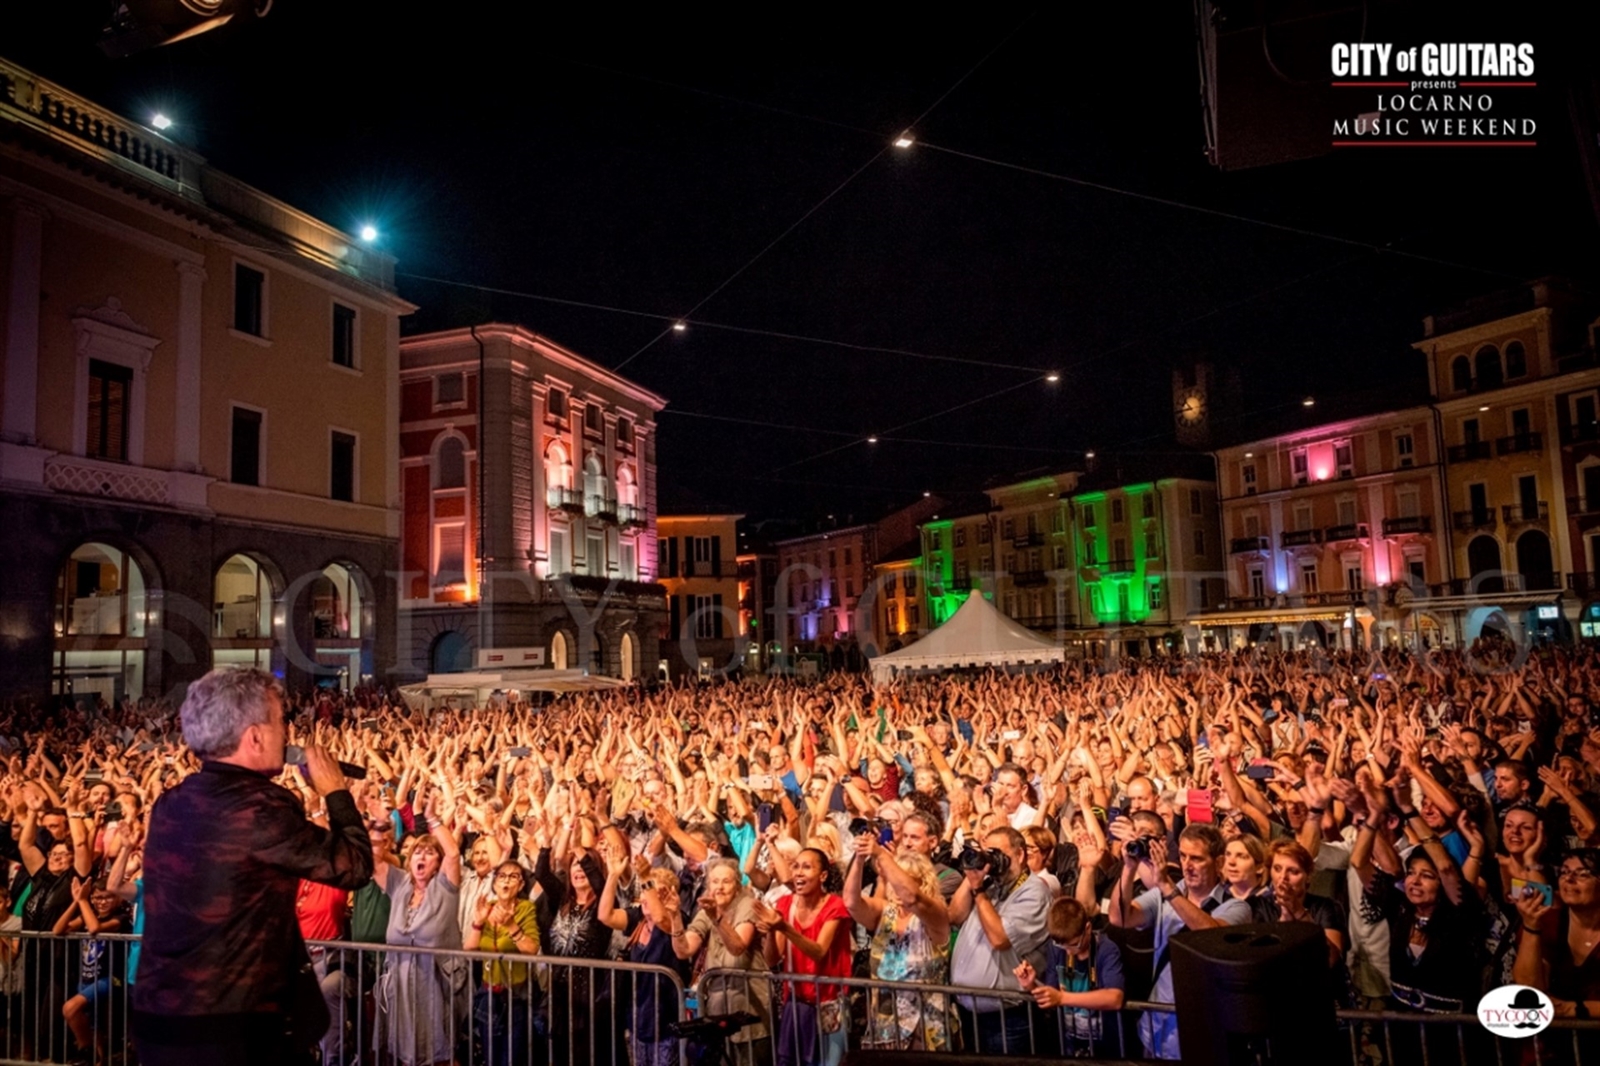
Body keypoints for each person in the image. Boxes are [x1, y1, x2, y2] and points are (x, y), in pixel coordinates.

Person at [131, 668, 373, 1066]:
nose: (288, 732)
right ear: (255, 736)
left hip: (163, 1018)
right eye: (281, 720)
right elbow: (354, 866)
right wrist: (335, 791)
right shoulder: (261, 806)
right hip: (234, 1030)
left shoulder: (171, 803)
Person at [1108, 823, 1251, 1060]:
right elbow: (1119, 917)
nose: (1187, 865)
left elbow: (1212, 935)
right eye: (1183, 856)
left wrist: (1165, 885)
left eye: (1196, 858)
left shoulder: (1236, 906)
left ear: (1218, 863)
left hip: (1206, 1030)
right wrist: (1129, 869)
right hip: (1158, 1025)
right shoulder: (1166, 895)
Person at [373, 799, 466, 1066]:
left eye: (428, 853)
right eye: (416, 852)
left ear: (437, 863)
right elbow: (373, 858)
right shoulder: (399, 883)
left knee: (440, 1054)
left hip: (436, 983)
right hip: (401, 981)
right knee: (404, 1052)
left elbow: (453, 854)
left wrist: (432, 819)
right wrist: (379, 824)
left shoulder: (446, 887)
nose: (421, 857)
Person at [843, 832, 952, 1050]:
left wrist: (881, 853)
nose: (898, 886)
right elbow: (851, 902)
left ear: (924, 882)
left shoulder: (936, 914)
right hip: (883, 1026)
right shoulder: (886, 911)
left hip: (925, 1028)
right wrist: (859, 859)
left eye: (908, 879)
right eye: (896, 879)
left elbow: (912, 897)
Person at [948, 827, 1051, 1055]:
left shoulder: (1034, 892)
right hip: (970, 1012)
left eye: (996, 853)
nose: (991, 860)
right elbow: (953, 916)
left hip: (1006, 1018)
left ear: (1020, 854)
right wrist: (972, 873)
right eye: (987, 853)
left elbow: (999, 938)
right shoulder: (991, 886)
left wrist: (978, 889)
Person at [753, 848, 853, 1066]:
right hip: (796, 1003)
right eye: (796, 866)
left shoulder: (835, 905)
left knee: (829, 1063)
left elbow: (819, 951)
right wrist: (771, 931)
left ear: (823, 876)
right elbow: (772, 960)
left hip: (830, 1003)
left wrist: (784, 927)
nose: (798, 873)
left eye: (807, 867)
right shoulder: (785, 904)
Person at [670, 858, 771, 1066]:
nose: (720, 887)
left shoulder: (747, 904)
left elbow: (737, 947)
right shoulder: (708, 908)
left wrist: (717, 918)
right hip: (718, 1012)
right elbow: (684, 950)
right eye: (715, 882)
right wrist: (674, 917)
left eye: (726, 881)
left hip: (750, 1010)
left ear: (737, 885)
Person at [1014, 896, 1125, 1059]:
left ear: (1087, 928)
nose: (1067, 951)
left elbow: (1115, 998)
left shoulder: (1106, 950)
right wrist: (1032, 985)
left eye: (1073, 944)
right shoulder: (1055, 948)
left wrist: (1062, 998)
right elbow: (1052, 996)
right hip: (1068, 1046)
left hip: (1105, 1047)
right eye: (1061, 945)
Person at [465, 860, 540, 1066]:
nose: (506, 881)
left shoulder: (526, 908)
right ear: (495, 883)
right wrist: (478, 923)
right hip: (488, 994)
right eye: (502, 876)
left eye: (513, 876)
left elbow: (531, 948)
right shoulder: (486, 908)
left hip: (515, 995)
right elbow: (469, 949)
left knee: (512, 1058)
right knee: (491, 1057)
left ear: (521, 885)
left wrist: (510, 925)